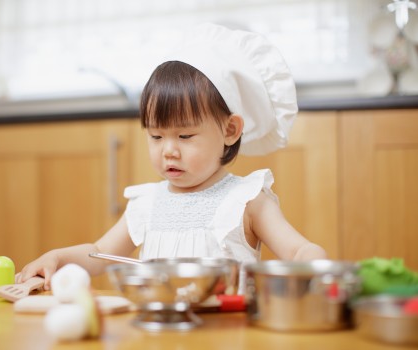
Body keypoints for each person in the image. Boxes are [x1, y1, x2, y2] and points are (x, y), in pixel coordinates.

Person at [16, 23, 327, 290]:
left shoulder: (246, 200)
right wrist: (58, 257)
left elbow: (298, 250)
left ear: (230, 130)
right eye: (156, 136)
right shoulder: (147, 203)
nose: (169, 150)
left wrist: (317, 263)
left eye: (185, 136)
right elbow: (99, 253)